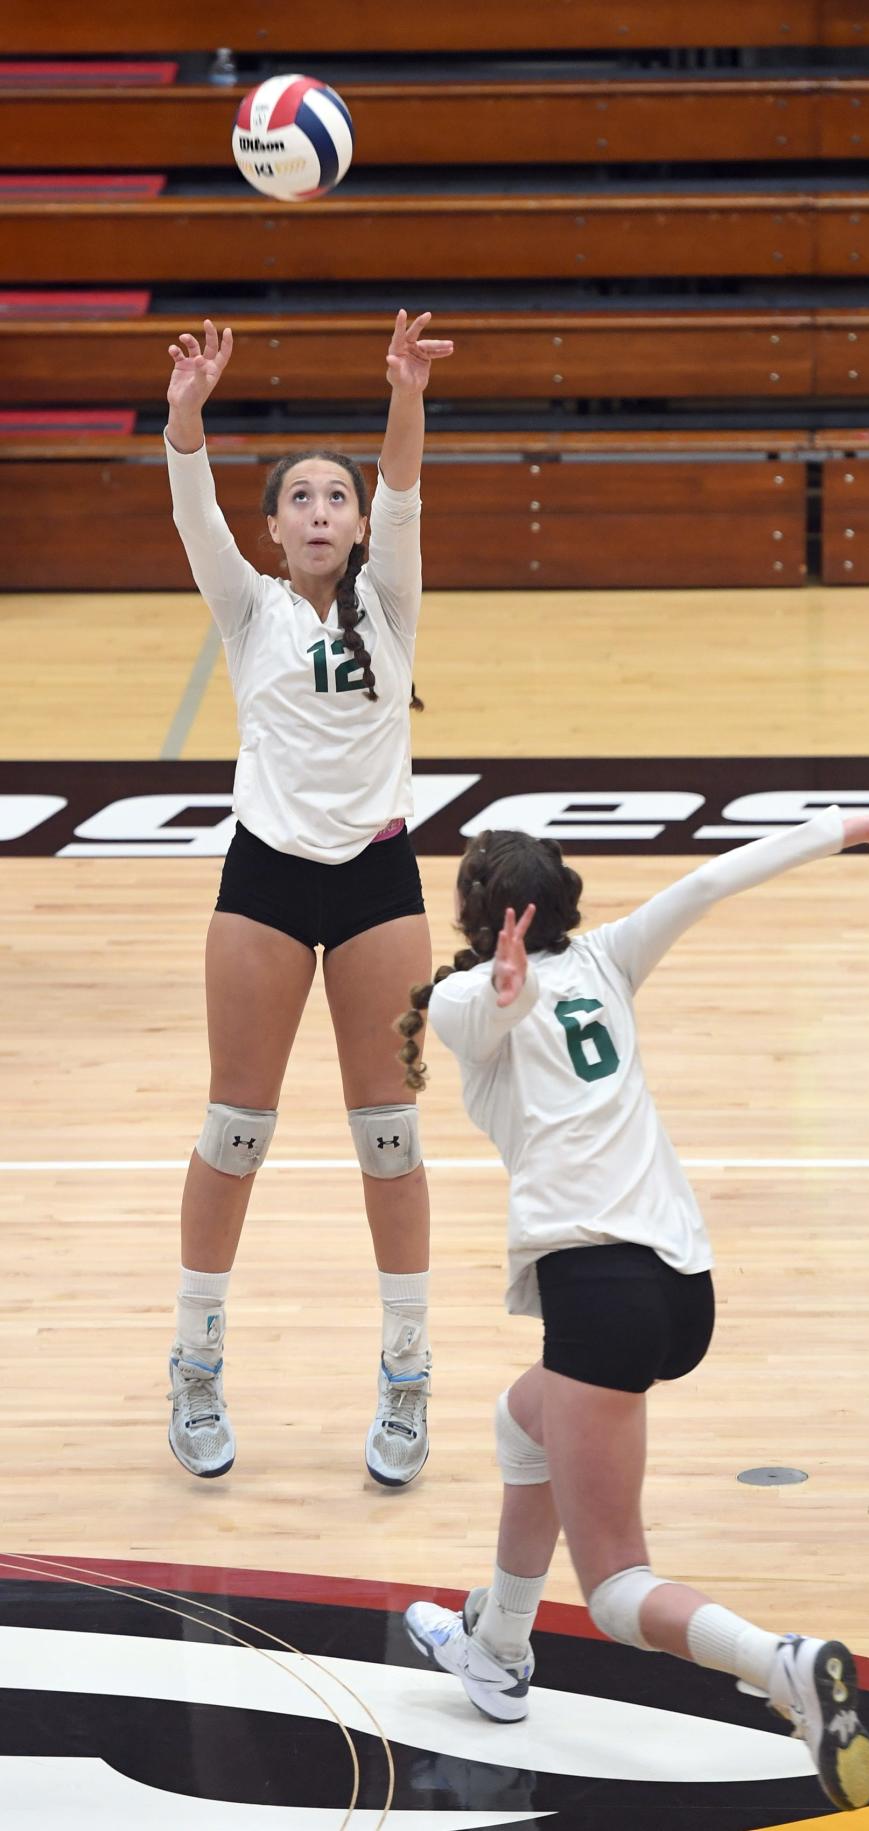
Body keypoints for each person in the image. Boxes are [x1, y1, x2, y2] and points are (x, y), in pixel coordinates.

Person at [399, 769, 869, 1813]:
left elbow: (480, 1014)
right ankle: (496, 1646)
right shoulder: (607, 957)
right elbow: (715, 879)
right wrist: (867, 826)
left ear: (476, 921)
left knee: (614, 1588)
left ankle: (778, 1659)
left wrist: (506, 988)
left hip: (601, 1292)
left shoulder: (471, 997)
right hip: (683, 1289)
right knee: (523, 1423)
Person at [163, 311, 453, 1487]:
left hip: (380, 883)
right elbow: (191, 505)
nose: (326, 510)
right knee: (236, 1128)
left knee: (390, 1138)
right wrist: (189, 409)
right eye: (303, 500)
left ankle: (407, 1372)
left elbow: (404, 482)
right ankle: (194, 1362)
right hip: (267, 879)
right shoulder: (249, 611)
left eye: (338, 497)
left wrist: (402, 391)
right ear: (274, 529)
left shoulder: (392, 600)